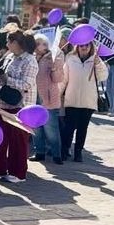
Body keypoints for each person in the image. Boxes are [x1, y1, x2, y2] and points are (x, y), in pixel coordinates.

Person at [0, 30, 38, 182]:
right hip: (3, 103)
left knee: (18, 141)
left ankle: (18, 172)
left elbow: (26, 84)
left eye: (10, 41)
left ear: (19, 43)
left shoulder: (30, 61)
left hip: (22, 106)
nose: (7, 44)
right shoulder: (9, 56)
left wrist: (6, 79)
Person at [61, 40, 108, 162]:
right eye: (82, 45)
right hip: (72, 99)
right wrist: (59, 93)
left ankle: (78, 152)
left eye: (87, 45)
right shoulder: (70, 59)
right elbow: (64, 79)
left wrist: (98, 64)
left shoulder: (95, 60)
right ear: (77, 46)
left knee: (82, 128)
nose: (84, 47)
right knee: (69, 127)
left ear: (91, 46)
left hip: (88, 101)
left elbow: (103, 76)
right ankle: (65, 150)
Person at [31, 33, 66, 164]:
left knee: (51, 128)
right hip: (34, 96)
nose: (41, 46)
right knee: (36, 127)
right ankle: (39, 151)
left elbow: (58, 79)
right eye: (38, 43)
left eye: (44, 43)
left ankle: (57, 154)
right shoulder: (31, 57)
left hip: (49, 97)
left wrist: (55, 67)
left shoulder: (55, 55)